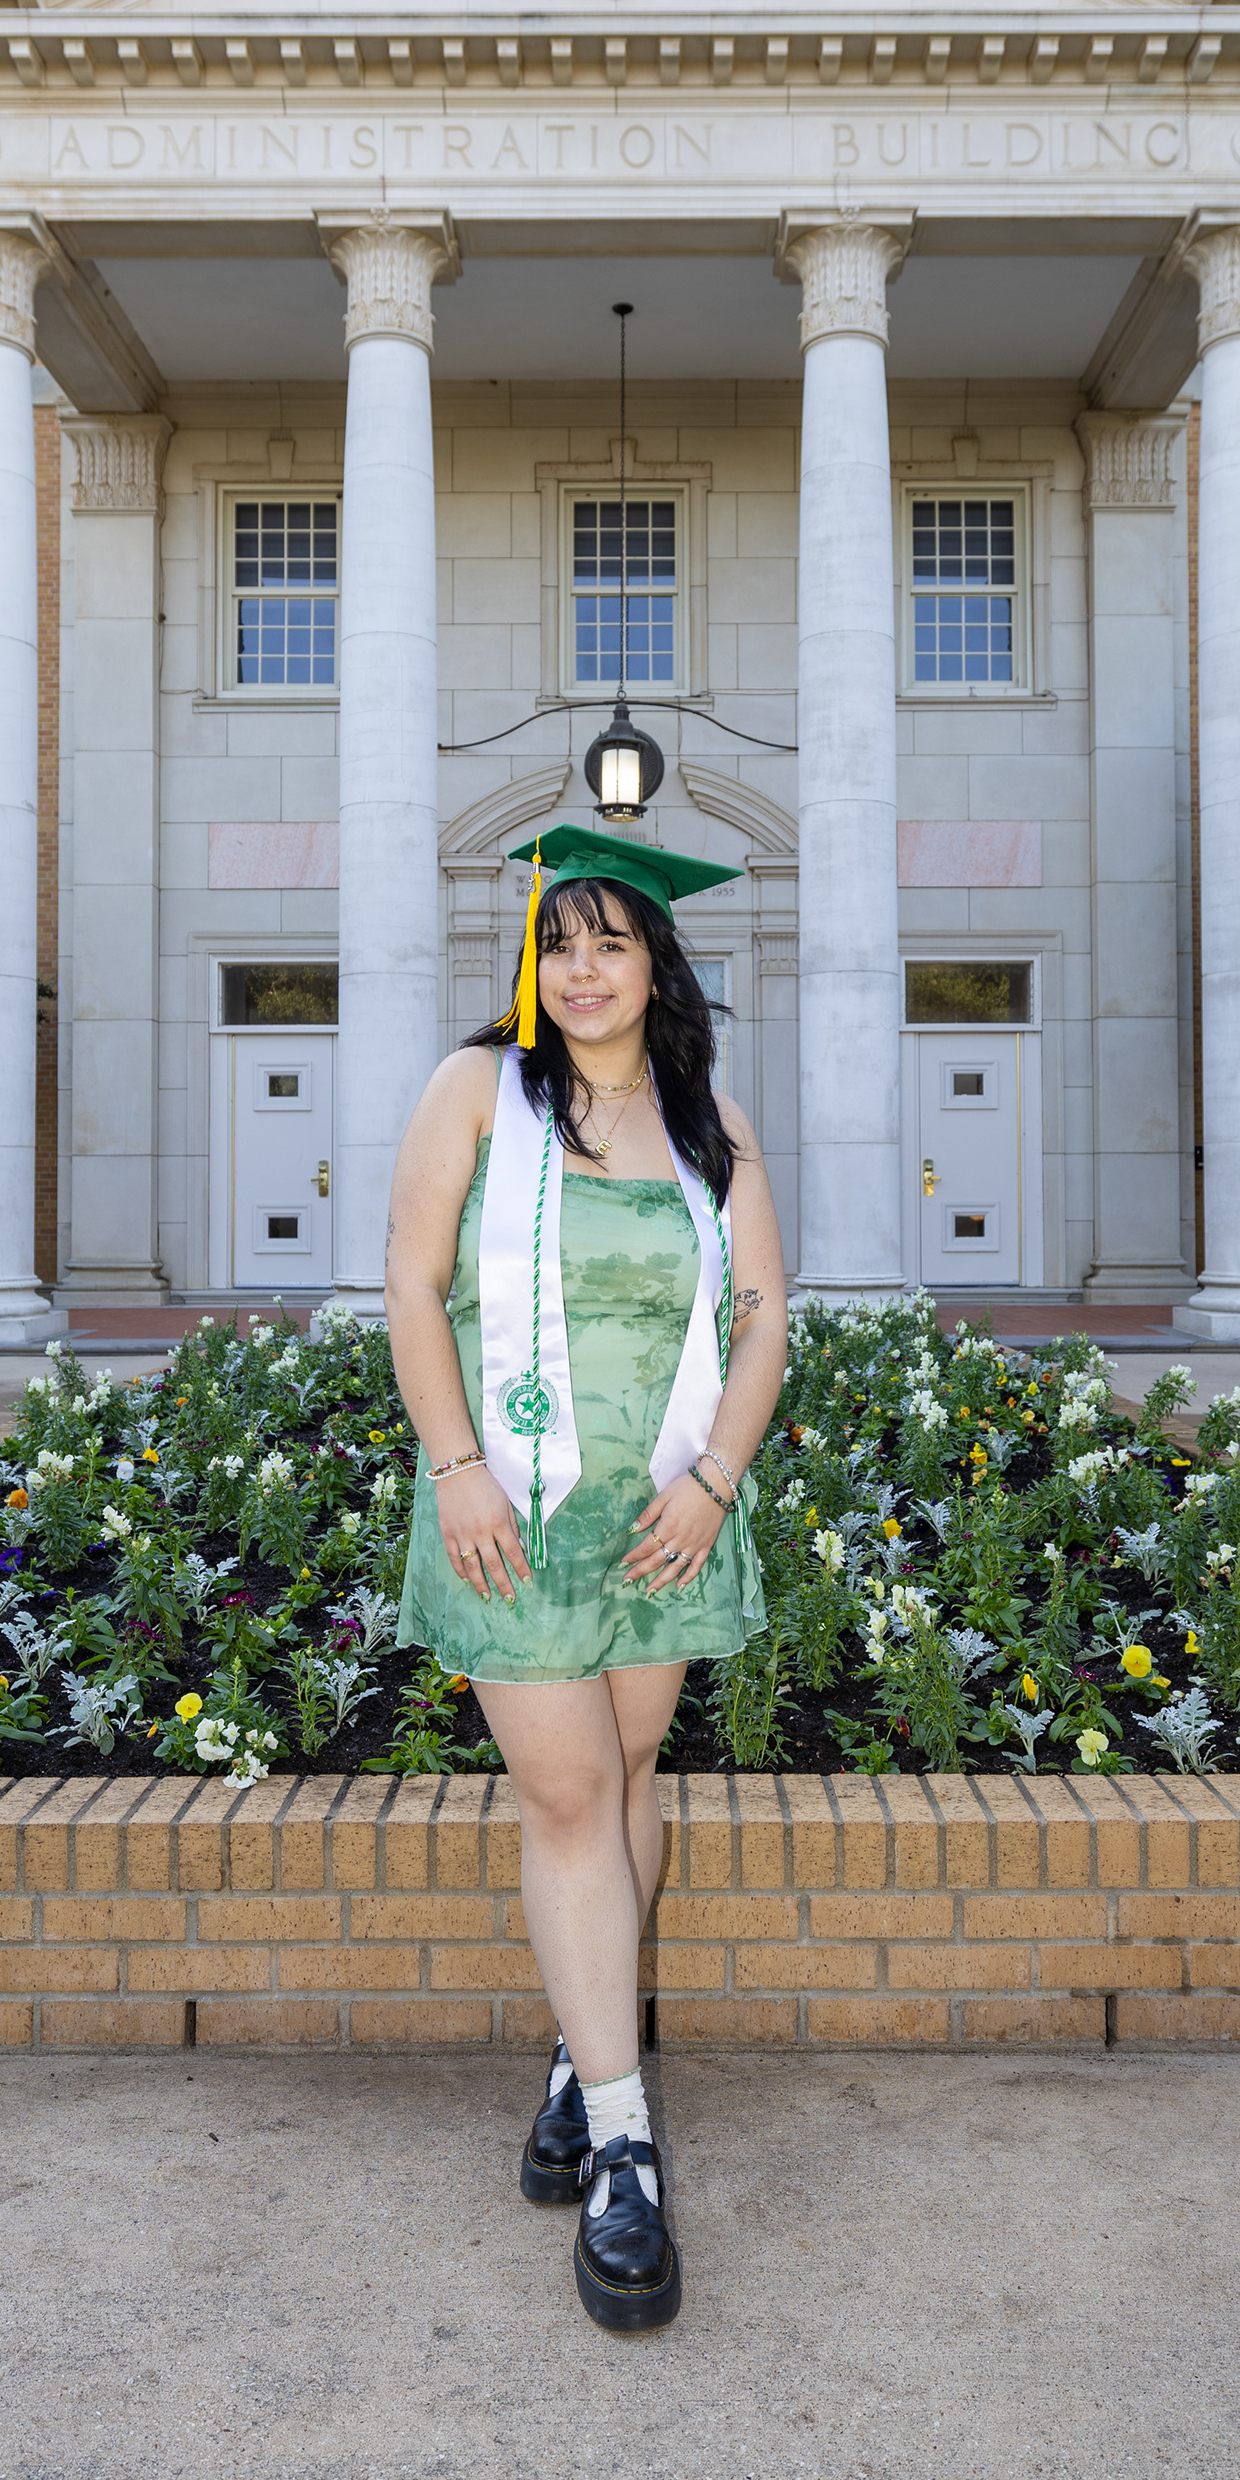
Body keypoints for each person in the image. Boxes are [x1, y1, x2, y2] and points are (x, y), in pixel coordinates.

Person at [384, 826, 789, 2332]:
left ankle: (581, 2045)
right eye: (560, 944)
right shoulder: (474, 1092)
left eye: (614, 944)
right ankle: (624, 2145)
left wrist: (716, 1480)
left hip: (663, 1510)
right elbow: (411, 1279)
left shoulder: (710, 1125)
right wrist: (454, 1465)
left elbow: (764, 1313)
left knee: (625, 1779)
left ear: (659, 966)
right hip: (511, 1506)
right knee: (566, 1797)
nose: (584, 969)